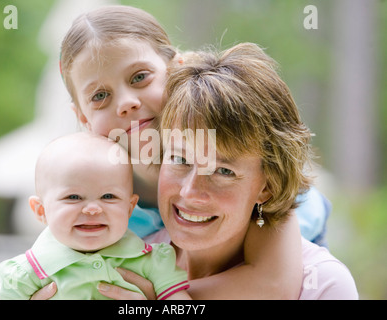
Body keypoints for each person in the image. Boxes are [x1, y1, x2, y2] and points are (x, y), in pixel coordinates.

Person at [33, 5, 328, 299]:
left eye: (139, 77)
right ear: (83, 118)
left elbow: (273, 286)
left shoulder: (249, 183)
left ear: (175, 70)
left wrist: (156, 298)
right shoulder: (94, 201)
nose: (126, 102)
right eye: (99, 96)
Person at [99, 43, 358, 300]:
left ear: (266, 187)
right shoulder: (121, 266)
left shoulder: (323, 285)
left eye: (224, 171)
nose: (190, 192)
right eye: (179, 159)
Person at [0, 132, 191, 300]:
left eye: (108, 196)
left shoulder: (151, 261)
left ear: (129, 208)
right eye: (73, 197)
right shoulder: (28, 273)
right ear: (41, 210)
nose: (92, 209)